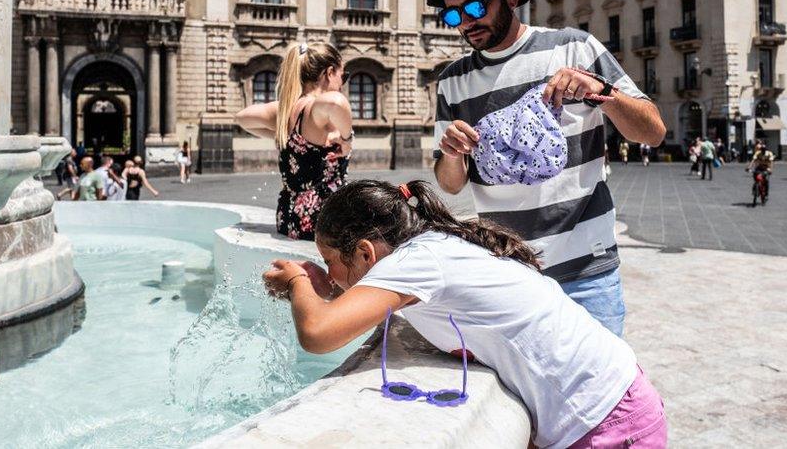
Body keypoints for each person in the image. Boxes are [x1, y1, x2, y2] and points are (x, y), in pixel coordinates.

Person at [262, 180, 668, 449]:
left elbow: (318, 333)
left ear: (366, 252)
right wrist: (325, 284)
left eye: (329, 260)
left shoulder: (415, 262)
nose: (329, 273)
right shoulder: (433, 246)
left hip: (609, 424)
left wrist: (298, 279)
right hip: (616, 401)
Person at [429, 0, 666, 336]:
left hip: (586, 275)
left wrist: (601, 91)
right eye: (453, 15)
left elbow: (653, 131)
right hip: (511, 275)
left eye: (473, 6)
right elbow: (450, 185)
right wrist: (451, 154)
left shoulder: (574, 48)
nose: (465, 23)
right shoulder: (453, 82)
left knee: (600, 395)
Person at [235, 41, 353, 241]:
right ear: (329, 72)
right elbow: (336, 102)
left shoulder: (286, 110)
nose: (343, 83)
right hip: (323, 220)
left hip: (288, 216)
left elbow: (242, 118)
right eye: (344, 76)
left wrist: (280, 134)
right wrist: (346, 139)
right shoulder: (315, 110)